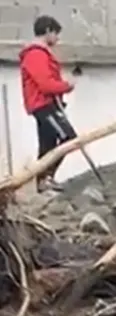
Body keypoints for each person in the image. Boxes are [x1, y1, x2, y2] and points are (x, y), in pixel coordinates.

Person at [20, 16, 75, 192]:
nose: (57, 39)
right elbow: (45, 84)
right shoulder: (36, 54)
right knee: (68, 138)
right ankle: (46, 179)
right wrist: (67, 86)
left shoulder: (39, 54)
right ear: (48, 31)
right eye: (56, 34)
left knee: (48, 144)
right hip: (43, 105)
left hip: (47, 104)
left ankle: (43, 183)